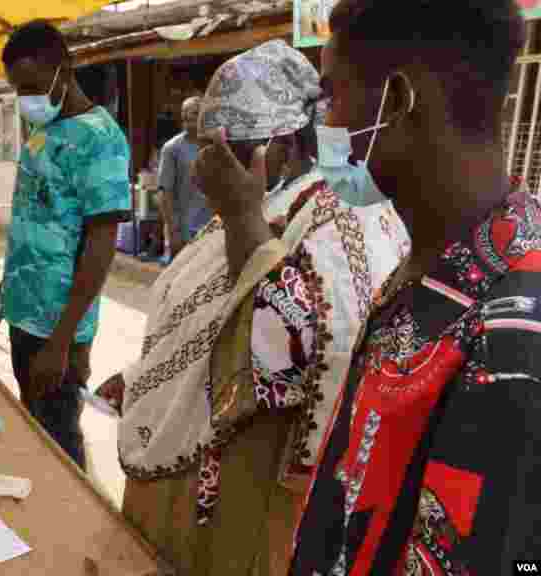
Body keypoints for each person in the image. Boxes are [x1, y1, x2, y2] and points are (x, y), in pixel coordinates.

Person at [94, 40, 407, 575]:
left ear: (280, 144)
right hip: (192, 472)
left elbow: (299, 353)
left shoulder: (346, 215)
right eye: (205, 148)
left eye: (227, 149)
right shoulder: (268, 201)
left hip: (249, 483)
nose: (206, 169)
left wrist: (241, 215)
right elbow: (204, 311)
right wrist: (142, 373)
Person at [265, 1, 538, 573]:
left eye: (334, 96)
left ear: (397, 100)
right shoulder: (434, 259)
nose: (326, 126)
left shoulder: (513, 337)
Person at [0, 20, 132, 468]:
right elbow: (34, 226)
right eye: (18, 90)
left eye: (32, 86)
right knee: (36, 436)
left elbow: (100, 245)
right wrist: (2, 293)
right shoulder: (43, 133)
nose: (26, 99)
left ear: (65, 68)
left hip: (59, 329)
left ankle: (76, 533)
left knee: (61, 444)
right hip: (25, 317)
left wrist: (62, 342)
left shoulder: (100, 140)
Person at [158, 96, 212, 259]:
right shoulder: (172, 148)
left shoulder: (213, 146)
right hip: (184, 228)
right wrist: (173, 230)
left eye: (195, 113)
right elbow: (164, 192)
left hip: (210, 227)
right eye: (185, 114)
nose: (189, 117)